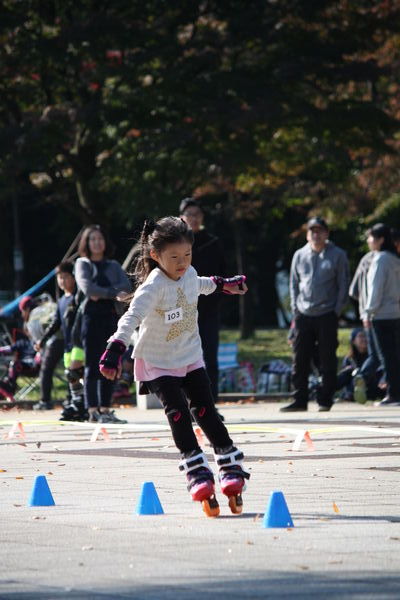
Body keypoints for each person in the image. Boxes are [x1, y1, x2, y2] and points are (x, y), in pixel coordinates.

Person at [99, 216, 250, 516]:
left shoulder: (189, 273)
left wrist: (224, 285)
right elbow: (131, 317)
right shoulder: (153, 286)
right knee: (178, 413)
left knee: (206, 411)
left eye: (187, 255)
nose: (182, 263)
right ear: (155, 256)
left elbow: (201, 284)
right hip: (158, 362)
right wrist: (115, 348)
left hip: (189, 355)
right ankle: (196, 470)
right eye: (174, 257)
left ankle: (229, 464)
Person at [281, 216, 350, 412]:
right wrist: (295, 309)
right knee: (300, 358)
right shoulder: (299, 255)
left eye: (319, 231)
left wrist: (337, 310)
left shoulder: (338, 255)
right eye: (312, 231)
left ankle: (325, 399)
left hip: (327, 313)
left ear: (327, 233)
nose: (315, 235)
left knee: (327, 358)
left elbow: (343, 284)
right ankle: (299, 399)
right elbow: (294, 284)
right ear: (307, 235)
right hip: (303, 313)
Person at [74, 225, 132, 423]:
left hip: (111, 317)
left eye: (100, 239)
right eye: (93, 239)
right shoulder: (82, 263)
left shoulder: (113, 265)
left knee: (110, 361)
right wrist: (113, 292)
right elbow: (88, 289)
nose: (97, 243)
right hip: (90, 318)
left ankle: (106, 409)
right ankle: (92, 410)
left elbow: (126, 287)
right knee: (92, 364)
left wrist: (103, 293)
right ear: (87, 243)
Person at [179, 198, 226, 408]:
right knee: (182, 359)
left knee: (209, 358)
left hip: (208, 311)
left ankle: (210, 405)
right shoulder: (176, 244)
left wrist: (215, 300)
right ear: (181, 217)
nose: (194, 218)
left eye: (197, 214)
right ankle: (186, 405)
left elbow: (223, 275)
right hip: (181, 311)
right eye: (189, 214)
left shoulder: (213, 242)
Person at [35, 261, 87, 420]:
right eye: (60, 278)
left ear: (74, 278)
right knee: (71, 376)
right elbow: (55, 323)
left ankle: (83, 403)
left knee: (76, 373)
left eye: (66, 277)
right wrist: (42, 340)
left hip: (80, 343)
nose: (62, 281)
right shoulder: (61, 301)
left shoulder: (80, 297)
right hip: (68, 345)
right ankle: (77, 404)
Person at [364, 223, 400, 407]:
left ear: (381, 240)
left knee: (386, 356)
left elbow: (375, 289)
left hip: (382, 314)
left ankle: (393, 394)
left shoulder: (380, 259)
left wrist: (368, 311)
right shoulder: (395, 258)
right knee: (395, 354)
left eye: (371, 237)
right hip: (396, 313)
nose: (369, 241)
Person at [348, 226, 384, 402]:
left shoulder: (365, 260)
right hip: (385, 313)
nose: (368, 241)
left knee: (375, 354)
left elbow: (353, 290)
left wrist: (364, 308)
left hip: (366, 315)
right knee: (385, 353)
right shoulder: (388, 259)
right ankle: (388, 386)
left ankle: (362, 376)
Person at [335, 328, 383, 403]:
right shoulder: (349, 358)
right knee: (347, 372)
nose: (364, 339)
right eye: (361, 336)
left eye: (366, 336)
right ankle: (327, 389)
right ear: (353, 341)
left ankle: (350, 396)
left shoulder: (374, 357)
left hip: (372, 387)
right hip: (354, 388)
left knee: (359, 375)